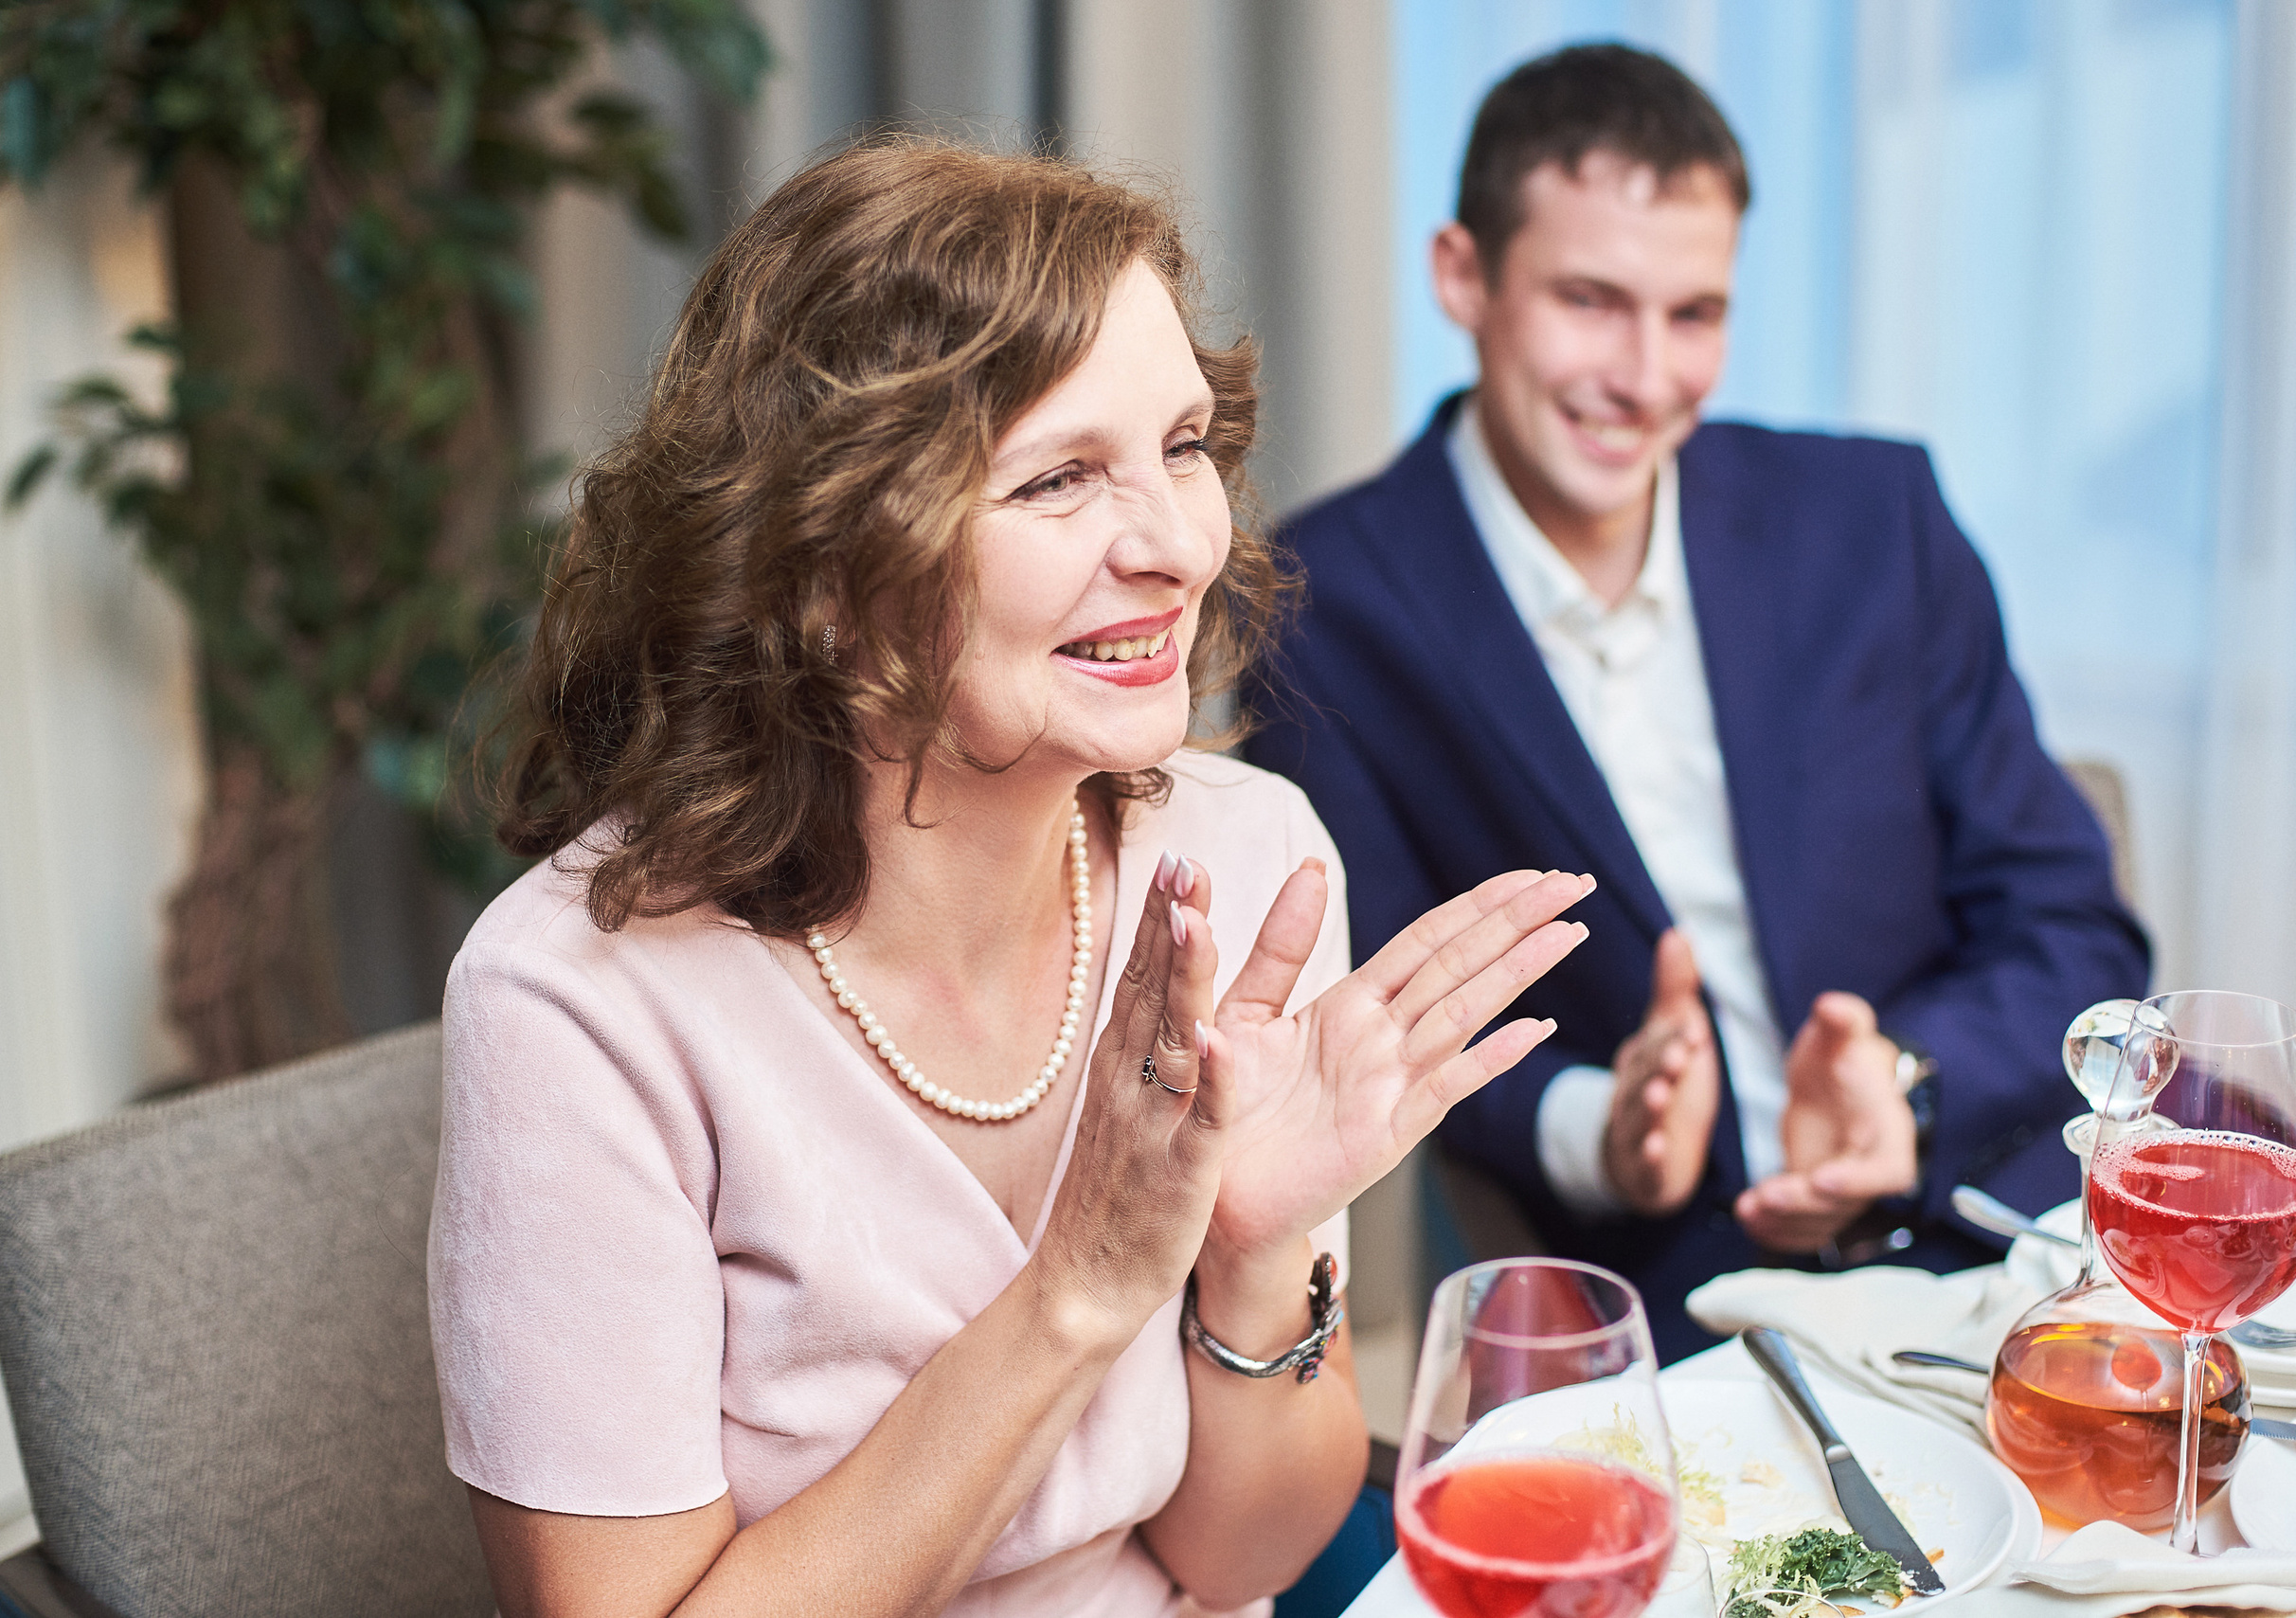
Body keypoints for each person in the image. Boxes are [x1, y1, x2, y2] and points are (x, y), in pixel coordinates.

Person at [427, 139, 1592, 1618]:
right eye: (1059, 478)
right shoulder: (577, 1005)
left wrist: (1250, 1252)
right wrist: (1080, 1287)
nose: (1178, 546)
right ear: (820, 575)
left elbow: (1243, 1561)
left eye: (1183, 446)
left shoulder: (1251, 861)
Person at [1243, 44, 2150, 1357]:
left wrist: (1905, 1080)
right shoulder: (1323, 606)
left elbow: (2074, 925)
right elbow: (1370, 1018)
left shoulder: (1875, 521)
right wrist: (1603, 1130)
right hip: (1673, 1306)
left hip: (2007, 1225)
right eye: (1591, 301)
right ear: (1462, 276)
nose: (1646, 375)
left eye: (1695, 315)